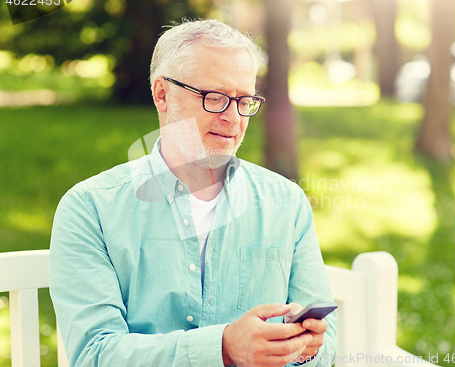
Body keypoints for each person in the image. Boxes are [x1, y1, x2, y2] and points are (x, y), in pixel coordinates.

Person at [50, 19, 338, 367]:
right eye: (215, 98)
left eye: (243, 100)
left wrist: (307, 347)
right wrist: (223, 348)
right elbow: (94, 354)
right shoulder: (89, 209)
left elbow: (326, 343)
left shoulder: (286, 203)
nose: (233, 118)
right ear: (162, 95)